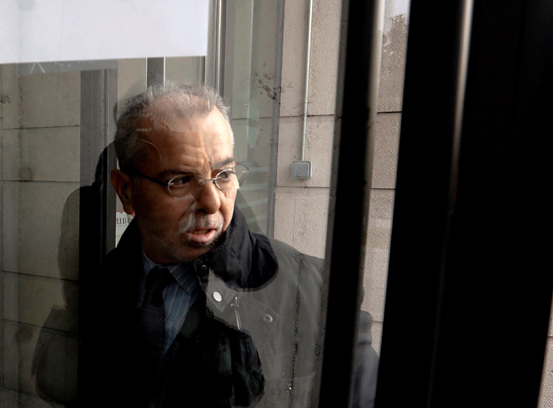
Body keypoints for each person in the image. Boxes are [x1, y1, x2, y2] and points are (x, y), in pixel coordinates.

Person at [86, 83, 376, 408]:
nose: (211, 202)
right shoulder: (108, 280)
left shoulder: (316, 294)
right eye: (180, 180)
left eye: (223, 174)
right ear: (126, 191)